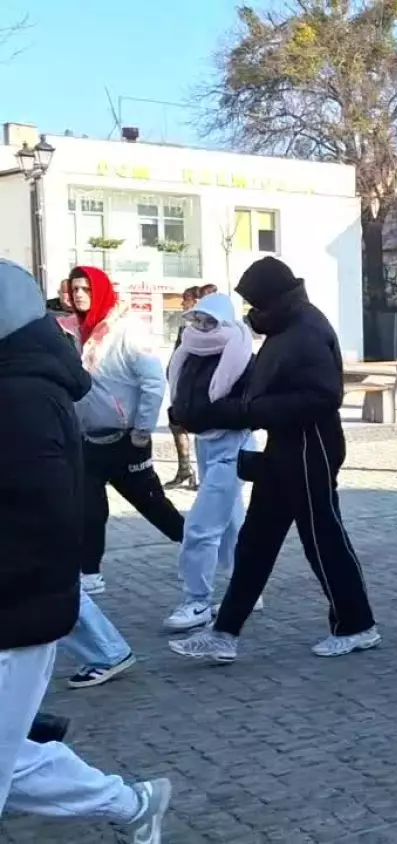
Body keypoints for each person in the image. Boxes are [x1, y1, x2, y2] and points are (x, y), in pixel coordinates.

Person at [0, 259, 172, 841]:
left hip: (16, 614)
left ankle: (131, 802)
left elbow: (40, 520)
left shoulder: (21, 396)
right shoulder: (22, 382)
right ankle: (132, 805)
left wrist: (143, 429)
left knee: (182, 523)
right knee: (12, 757)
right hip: (24, 605)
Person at [169, 257, 379, 662]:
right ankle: (224, 633)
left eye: (255, 303)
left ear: (273, 299)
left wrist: (248, 412)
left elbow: (323, 397)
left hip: (311, 449)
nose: (251, 312)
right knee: (255, 542)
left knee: (323, 540)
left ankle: (357, 626)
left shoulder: (307, 330)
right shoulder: (286, 327)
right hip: (284, 449)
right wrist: (227, 410)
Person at [70, 265, 184, 595]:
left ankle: (199, 548)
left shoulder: (127, 330)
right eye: (75, 289)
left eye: (87, 289)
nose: (79, 295)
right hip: (89, 439)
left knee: (153, 505)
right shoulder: (79, 331)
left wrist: (142, 430)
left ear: (101, 291)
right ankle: (90, 573)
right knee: (89, 509)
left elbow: (152, 381)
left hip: (126, 439)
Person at [159, 292, 255, 633]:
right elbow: (180, 392)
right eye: (197, 319)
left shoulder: (241, 353)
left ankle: (197, 600)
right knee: (229, 522)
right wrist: (181, 414)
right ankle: (247, 586)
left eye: (209, 320)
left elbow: (249, 406)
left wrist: (203, 414)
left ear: (225, 321)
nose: (201, 326)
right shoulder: (188, 349)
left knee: (202, 526)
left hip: (233, 443)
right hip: (204, 441)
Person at [164, 285, 202, 491]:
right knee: (176, 424)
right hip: (182, 386)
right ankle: (185, 469)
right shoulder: (186, 327)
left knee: (197, 429)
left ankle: (194, 471)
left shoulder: (199, 328)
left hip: (193, 389)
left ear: (194, 301)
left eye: (185, 300)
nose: (182, 304)